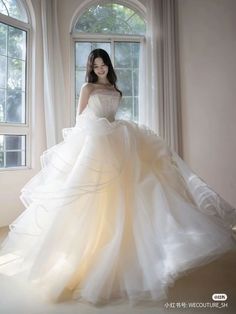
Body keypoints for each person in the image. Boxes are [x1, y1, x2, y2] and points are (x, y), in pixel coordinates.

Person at [0, 48, 235, 307]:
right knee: (92, 199)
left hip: (119, 139)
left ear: (108, 66)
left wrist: (112, 129)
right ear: (91, 68)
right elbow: (80, 119)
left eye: (103, 65)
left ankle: (137, 254)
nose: (100, 69)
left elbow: (113, 116)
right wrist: (94, 135)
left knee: (137, 191)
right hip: (97, 142)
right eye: (96, 65)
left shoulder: (114, 87)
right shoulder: (88, 88)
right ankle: (81, 256)